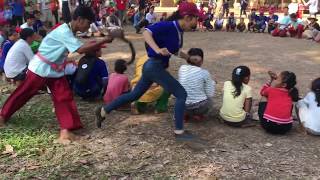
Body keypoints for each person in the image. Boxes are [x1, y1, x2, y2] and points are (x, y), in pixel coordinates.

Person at [0, 6, 124, 143]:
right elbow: (80, 49)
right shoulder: (64, 31)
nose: (88, 27)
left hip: (54, 70)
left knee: (64, 97)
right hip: (40, 68)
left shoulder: (69, 31)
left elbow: (78, 46)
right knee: (24, 93)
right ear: (80, 20)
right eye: (88, 23)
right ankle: (2, 116)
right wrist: (105, 39)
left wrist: (104, 39)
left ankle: (66, 130)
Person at [95, 2, 200, 142]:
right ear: (187, 17)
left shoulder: (178, 31)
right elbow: (146, 32)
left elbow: (174, 50)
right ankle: (179, 133)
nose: (196, 22)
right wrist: (156, 49)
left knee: (134, 95)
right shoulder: (169, 26)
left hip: (152, 67)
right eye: (196, 19)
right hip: (154, 66)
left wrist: (189, 58)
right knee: (181, 94)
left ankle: (103, 111)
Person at [179, 48, 215, 122]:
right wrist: (212, 83)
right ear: (201, 60)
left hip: (182, 105)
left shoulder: (182, 68)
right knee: (210, 101)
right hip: (199, 107)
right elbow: (210, 94)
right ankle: (198, 115)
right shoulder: (204, 73)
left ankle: (184, 114)